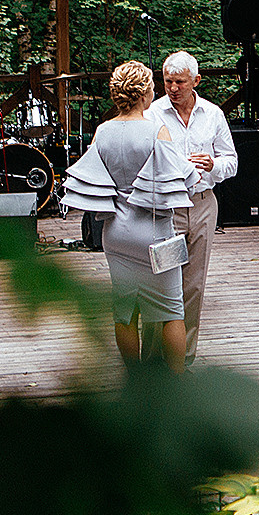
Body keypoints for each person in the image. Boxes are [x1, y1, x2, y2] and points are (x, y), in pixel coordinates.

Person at [62, 61, 197, 373]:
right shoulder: (156, 129)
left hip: (116, 232)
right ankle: (176, 383)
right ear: (145, 93)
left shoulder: (102, 131)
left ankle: (134, 380)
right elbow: (184, 176)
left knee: (124, 310)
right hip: (156, 231)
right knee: (172, 310)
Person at [151, 51, 239, 364]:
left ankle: (183, 361)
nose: (172, 88)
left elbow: (232, 161)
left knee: (193, 286)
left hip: (202, 206)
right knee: (162, 280)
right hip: (168, 209)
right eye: (167, 81)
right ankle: (153, 362)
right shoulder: (153, 114)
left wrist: (213, 164)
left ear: (196, 81)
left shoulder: (213, 114)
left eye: (179, 82)